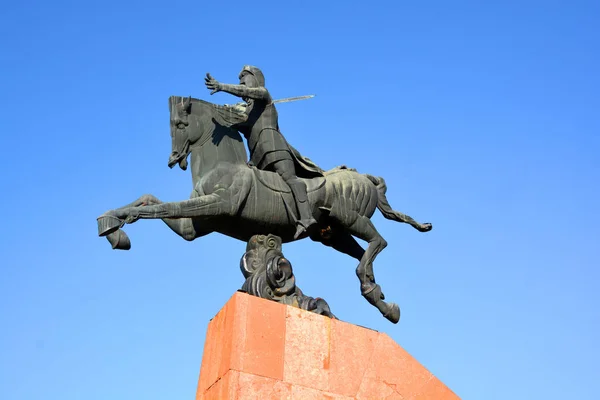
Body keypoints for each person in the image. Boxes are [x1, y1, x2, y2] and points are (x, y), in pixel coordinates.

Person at [205, 65, 321, 239]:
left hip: (274, 148)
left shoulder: (264, 96)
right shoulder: (249, 112)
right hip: (256, 156)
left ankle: (307, 217)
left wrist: (222, 87)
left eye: (244, 79)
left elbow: (250, 92)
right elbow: (238, 124)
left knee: (290, 179)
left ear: (254, 79)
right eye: (240, 81)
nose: (242, 84)